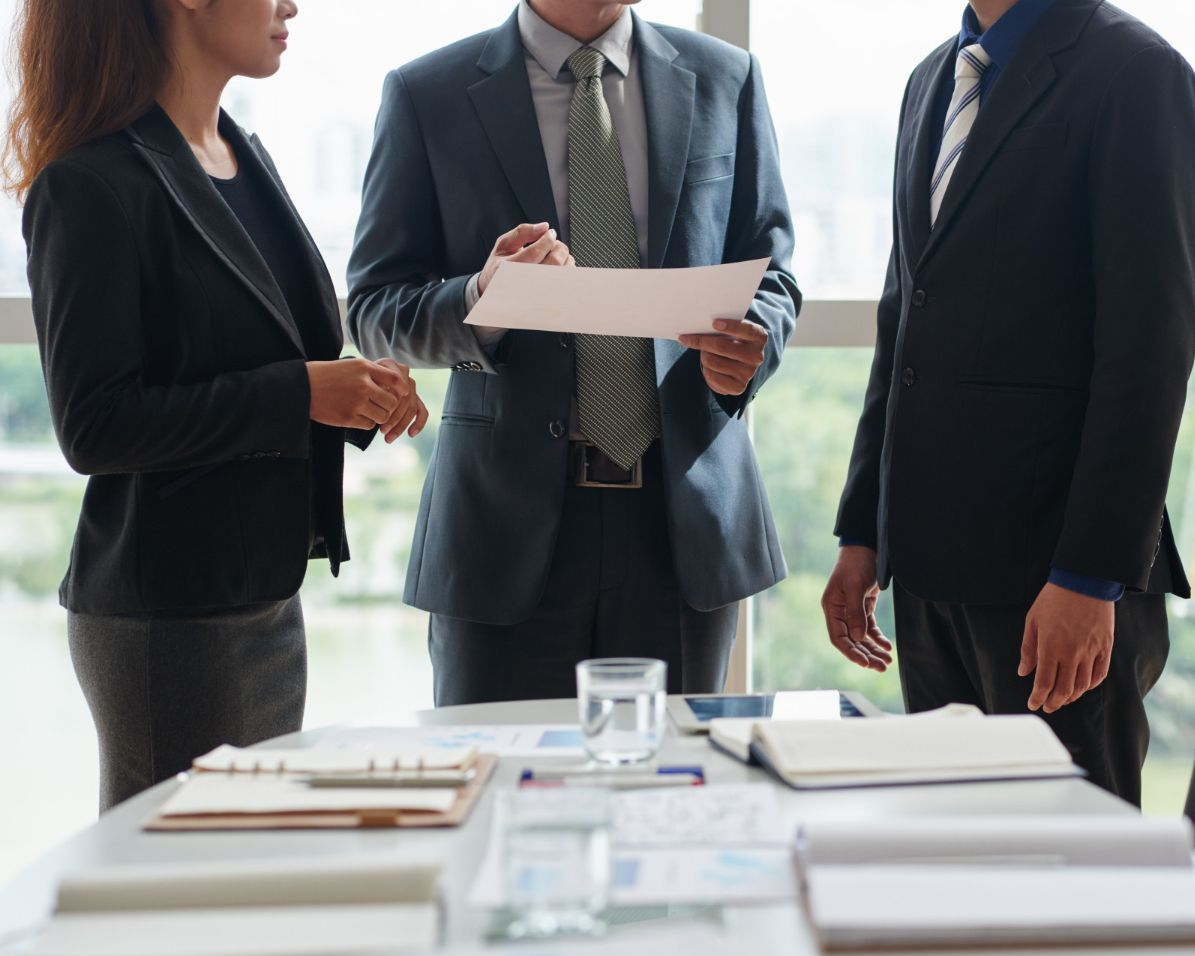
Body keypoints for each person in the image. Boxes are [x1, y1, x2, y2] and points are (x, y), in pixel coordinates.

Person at [4, 0, 429, 811]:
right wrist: (303, 391)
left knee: (245, 881)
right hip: (169, 614)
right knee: (176, 902)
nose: (291, 6)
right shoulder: (88, 185)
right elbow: (96, 425)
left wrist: (353, 389)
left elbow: (268, 358)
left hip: (264, 595)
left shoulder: (242, 156)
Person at [347, 0, 799, 706]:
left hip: (683, 524)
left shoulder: (725, 76)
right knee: (502, 796)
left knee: (671, 800)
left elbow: (771, 271)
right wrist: (478, 297)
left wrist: (755, 344)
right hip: (501, 526)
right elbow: (374, 308)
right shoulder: (425, 92)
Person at [822, 0, 1195, 805]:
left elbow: (1148, 350)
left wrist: (1090, 577)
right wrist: (863, 531)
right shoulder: (931, 80)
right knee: (955, 867)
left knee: (1071, 888)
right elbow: (903, 322)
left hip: (1053, 579)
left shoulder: (1135, 72)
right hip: (924, 568)